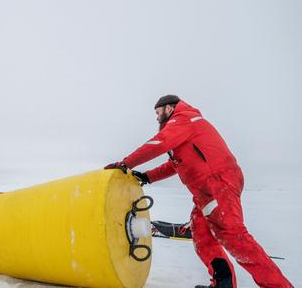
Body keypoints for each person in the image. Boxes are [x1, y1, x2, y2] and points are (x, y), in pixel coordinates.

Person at [105, 95, 292, 288]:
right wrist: (147, 176)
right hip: (206, 190)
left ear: (169, 108)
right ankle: (223, 283)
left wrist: (124, 163)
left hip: (218, 183)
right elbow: (174, 165)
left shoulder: (184, 119)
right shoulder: (182, 129)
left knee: (234, 237)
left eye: (158, 112)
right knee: (201, 233)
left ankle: (278, 286)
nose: (157, 117)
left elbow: (158, 143)